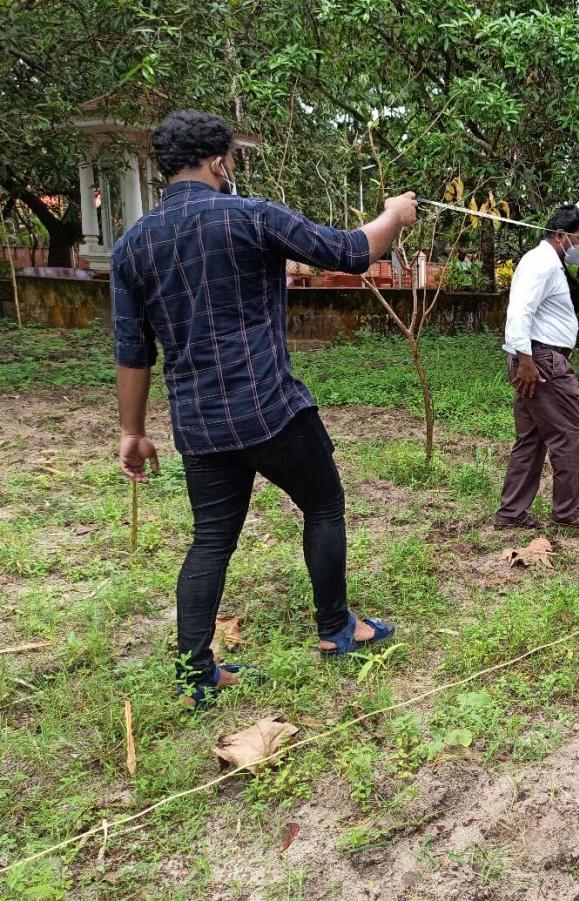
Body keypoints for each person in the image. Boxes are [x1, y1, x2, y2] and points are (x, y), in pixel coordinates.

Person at [111, 109, 418, 707]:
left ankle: (196, 675)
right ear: (219, 161)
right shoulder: (251, 216)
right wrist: (394, 216)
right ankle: (336, 627)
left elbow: (132, 351)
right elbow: (352, 252)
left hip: (199, 426)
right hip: (271, 410)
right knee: (324, 503)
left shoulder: (131, 246)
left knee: (210, 542)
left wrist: (131, 431)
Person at [494, 203, 579, 531]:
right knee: (571, 434)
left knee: (531, 438)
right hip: (541, 361)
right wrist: (525, 361)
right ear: (560, 235)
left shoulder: (545, 262)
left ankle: (511, 512)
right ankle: (569, 511)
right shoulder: (541, 262)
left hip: (535, 358)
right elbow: (519, 311)